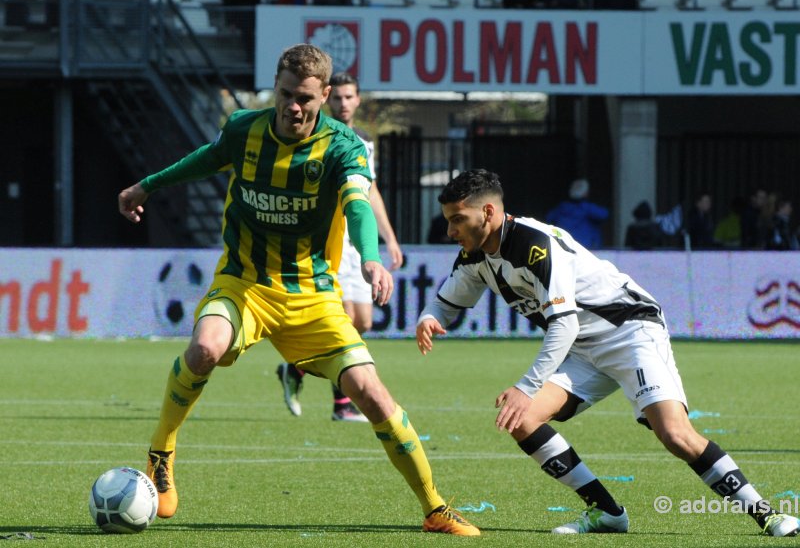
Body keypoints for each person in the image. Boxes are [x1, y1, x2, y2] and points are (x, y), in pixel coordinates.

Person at [117, 44, 479, 536]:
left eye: (305, 98)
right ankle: (162, 450)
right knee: (204, 348)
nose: (293, 106)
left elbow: (356, 204)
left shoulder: (343, 146)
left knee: (372, 395)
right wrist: (147, 185)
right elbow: (207, 159)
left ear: (325, 95)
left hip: (312, 298)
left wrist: (370, 258)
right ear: (275, 87)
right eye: (285, 94)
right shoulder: (245, 129)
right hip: (244, 284)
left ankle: (435, 507)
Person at [415, 169, 798, 537]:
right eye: (448, 220)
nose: (450, 231)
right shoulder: (475, 255)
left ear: (488, 212)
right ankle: (607, 512)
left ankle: (766, 513)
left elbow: (564, 323)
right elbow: (447, 302)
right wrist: (429, 317)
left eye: (457, 220)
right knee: (522, 419)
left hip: (629, 330)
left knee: (675, 434)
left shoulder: (535, 243)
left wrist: (526, 385)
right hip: (583, 347)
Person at [275, 71, 403, 423]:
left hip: (356, 241)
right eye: (338, 98)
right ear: (327, 99)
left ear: (358, 100)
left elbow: (368, 189)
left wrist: (388, 237)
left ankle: (296, 370)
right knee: (342, 320)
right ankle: (342, 405)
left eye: (350, 97)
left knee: (363, 321)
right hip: (328, 240)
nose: (343, 104)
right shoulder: (317, 135)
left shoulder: (361, 141)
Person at [545, 178, 608, 249]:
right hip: (586, 249)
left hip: (564, 247)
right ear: (586, 193)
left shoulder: (561, 208)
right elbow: (604, 215)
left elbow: (548, 218)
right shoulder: (588, 208)